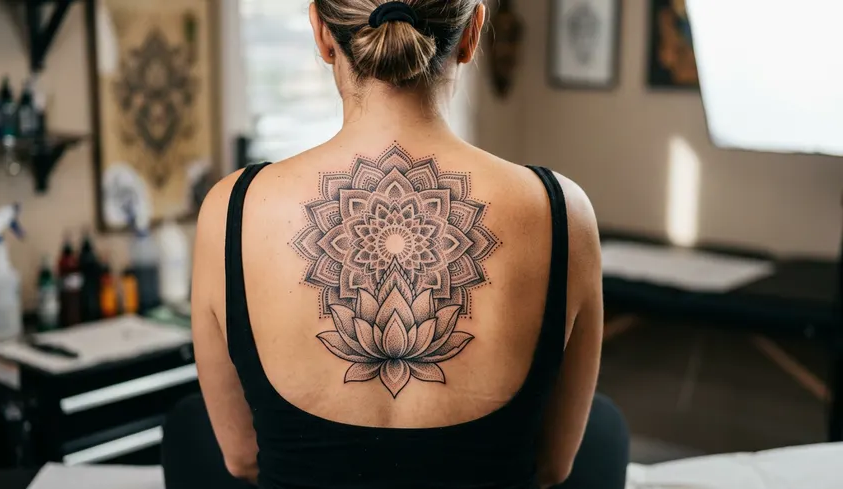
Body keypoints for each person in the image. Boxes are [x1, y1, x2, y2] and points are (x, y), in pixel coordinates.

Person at [191, 1, 613, 488]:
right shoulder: (563, 212)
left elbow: (243, 459)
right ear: (474, 30)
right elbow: (554, 467)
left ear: (323, 34)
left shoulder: (231, 211)